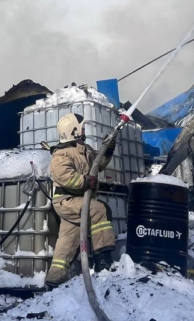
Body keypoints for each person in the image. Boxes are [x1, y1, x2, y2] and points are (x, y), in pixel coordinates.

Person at [45, 113, 117, 289]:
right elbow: (63, 175)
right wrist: (85, 182)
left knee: (67, 242)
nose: (85, 130)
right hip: (67, 201)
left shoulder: (84, 150)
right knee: (99, 209)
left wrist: (109, 147)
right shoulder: (61, 154)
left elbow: (99, 164)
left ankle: (54, 281)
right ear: (74, 130)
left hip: (79, 201)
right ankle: (103, 262)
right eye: (82, 127)